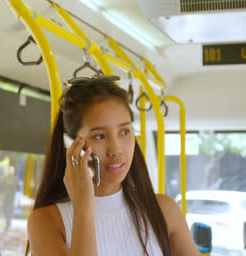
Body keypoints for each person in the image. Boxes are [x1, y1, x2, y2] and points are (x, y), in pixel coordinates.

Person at [26, 76, 199, 255]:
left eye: (125, 132)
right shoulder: (46, 222)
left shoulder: (164, 210)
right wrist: (83, 208)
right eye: (100, 136)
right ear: (70, 145)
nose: (116, 150)